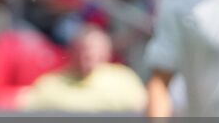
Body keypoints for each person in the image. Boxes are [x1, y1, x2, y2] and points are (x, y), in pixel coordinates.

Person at [18, 24, 147, 112]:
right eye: (84, 50)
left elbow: (144, 111)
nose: (89, 56)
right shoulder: (50, 84)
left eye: (95, 51)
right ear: (72, 51)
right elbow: (28, 118)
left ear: (107, 53)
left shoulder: (123, 80)